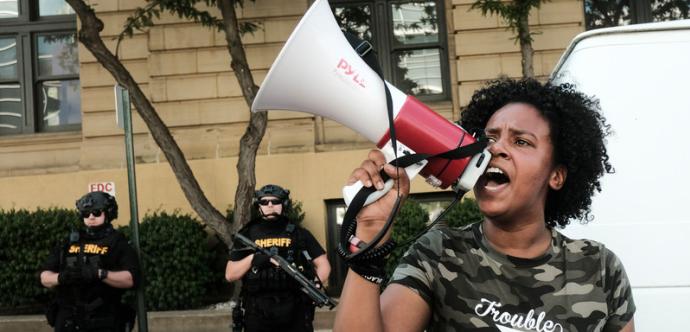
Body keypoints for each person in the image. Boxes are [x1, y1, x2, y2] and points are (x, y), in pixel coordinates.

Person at [334, 78, 636, 332]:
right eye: (489, 138)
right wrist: (371, 232)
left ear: (556, 175)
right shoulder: (439, 253)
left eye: (521, 142)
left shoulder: (599, 268)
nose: (496, 149)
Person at [226, 184, 331, 332]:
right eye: (264, 202)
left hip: (295, 309)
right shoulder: (246, 235)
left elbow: (323, 263)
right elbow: (230, 274)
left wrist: (316, 284)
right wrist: (253, 259)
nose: (270, 205)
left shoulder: (299, 233)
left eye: (275, 201)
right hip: (257, 311)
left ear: (284, 204)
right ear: (259, 206)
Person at [39, 191, 140, 332]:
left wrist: (101, 274)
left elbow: (131, 279)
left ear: (108, 213)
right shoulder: (69, 242)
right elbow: (44, 277)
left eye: (97, 212)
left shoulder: (118, 242)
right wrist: (62, 277)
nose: (91, 216)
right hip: (69, 320)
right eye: (86, 213)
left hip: (103, 319)